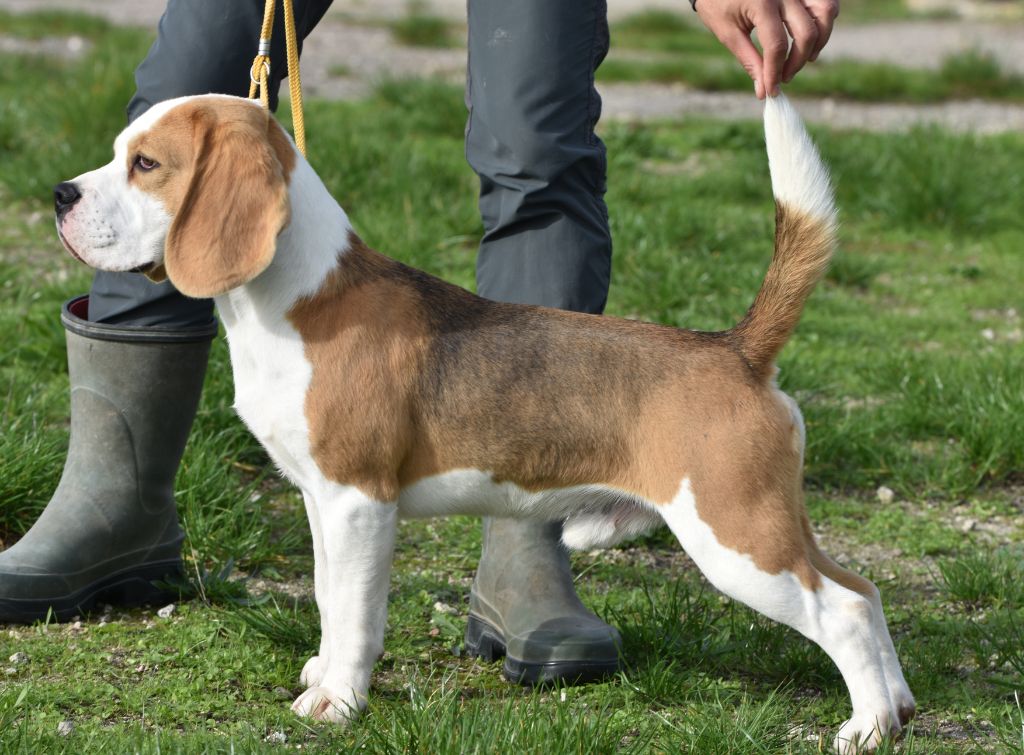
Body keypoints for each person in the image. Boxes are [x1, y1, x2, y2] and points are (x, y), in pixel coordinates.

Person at [0, 0, 838, 685]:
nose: (93, 188)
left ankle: (523, 550)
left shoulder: (351, 341)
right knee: (193, 69)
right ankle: (115, 494)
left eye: (141, 167)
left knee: (534, 141)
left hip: (667, 410)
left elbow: (360, 504)